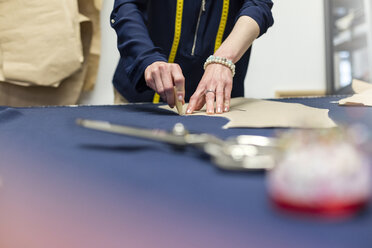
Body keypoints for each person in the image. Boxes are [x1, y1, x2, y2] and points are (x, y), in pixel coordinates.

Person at [110, 0, 274, 114]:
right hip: (141, 96)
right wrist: (148, 58)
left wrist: (223, 60)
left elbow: (258, 5)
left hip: (217, 100)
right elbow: (127, 5)